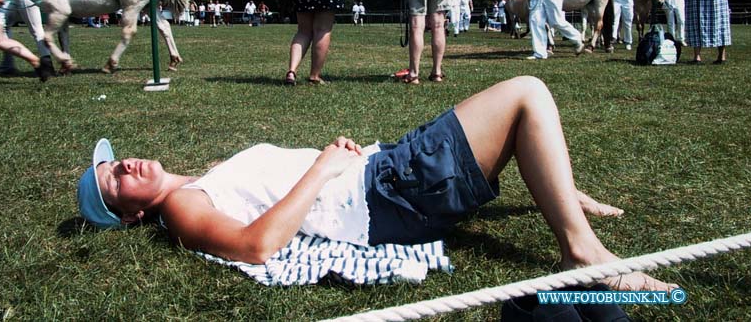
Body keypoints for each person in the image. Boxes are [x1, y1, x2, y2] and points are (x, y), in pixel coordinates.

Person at [77, 76, 676, 293]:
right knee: (526, 94)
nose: (126, 166)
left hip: (384, 176)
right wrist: (322, 167)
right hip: (386, 193)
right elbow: (257, 247)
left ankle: (562, 195)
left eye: (118, 161)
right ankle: (579, 247)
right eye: (116, 182)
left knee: (514, 113)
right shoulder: (182, 208)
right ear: (129, 216)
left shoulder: (199, 182)